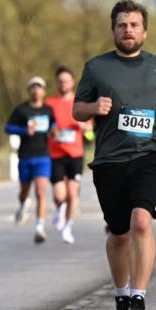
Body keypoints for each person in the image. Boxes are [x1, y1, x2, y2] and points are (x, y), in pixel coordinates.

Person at [72, 0, 156, 310]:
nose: (128, 30)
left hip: (150, 154)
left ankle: (138, 296)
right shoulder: (96, 67)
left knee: (141, 222)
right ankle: (121, 297)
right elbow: (76, 110)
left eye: (134, 25)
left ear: (144, 31)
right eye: (122, 25)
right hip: (110, 159)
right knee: (119, 234)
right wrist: (93, 107)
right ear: (113, 30)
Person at [5, 76, 56, 243]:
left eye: (39, 87)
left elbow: (53, 126)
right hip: (26, 156)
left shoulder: (48, 110)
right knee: (25, 191)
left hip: (43, 155)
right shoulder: (21, 110)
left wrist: (54, 132)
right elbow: (8, 127)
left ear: (44, 91)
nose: (36, 90)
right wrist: (24, 131)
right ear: (29, 91)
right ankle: (22, 204)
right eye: (33, 87)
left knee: (41, 191)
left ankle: (39, 227)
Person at [44, 66, 89, 243]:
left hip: (75, 153)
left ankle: (68, 227)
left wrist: (86, 129)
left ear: (72, 82)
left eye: (66, 81)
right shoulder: (49, 103)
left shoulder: (80, 103)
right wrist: (51, 132)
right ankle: (60, 209)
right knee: (59, 195)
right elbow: (44, 127)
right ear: (56, 83)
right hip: (55, 153)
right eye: (60, 81)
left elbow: (91, 131)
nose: (63, 84)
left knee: (72, 193)